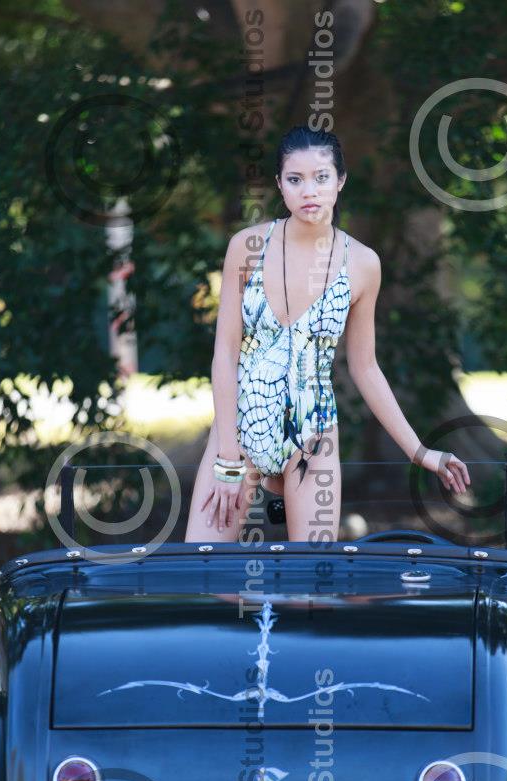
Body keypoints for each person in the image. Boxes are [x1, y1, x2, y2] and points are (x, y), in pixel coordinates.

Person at [185, 125, 470, 542]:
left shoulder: (363, 264)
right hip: (241, 429)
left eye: (321, 177)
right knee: (203, 568)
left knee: (312, 577)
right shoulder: (246, 247)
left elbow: (365, 367)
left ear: (340, 181)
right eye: (295, 179)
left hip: (313, 436)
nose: (309, 191)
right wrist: (228, 460)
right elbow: (225, 354)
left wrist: (419, 451)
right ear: (279, 184)